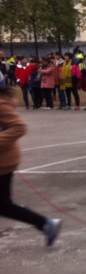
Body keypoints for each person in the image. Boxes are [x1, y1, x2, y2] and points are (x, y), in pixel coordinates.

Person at [0, 72, 62, 246]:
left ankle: (46, 224)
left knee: (4, 205)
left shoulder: (1, 105)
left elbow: (19, 127)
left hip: (3, 161)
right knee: (4, 205)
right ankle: (45, 224)